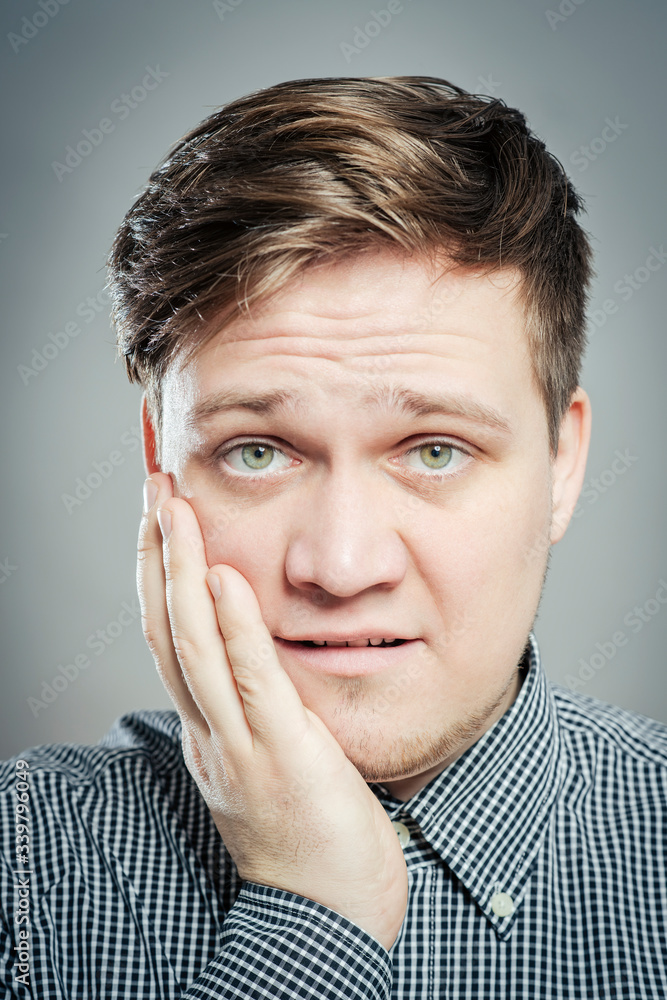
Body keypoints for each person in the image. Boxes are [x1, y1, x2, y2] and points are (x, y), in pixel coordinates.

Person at [1, 75, 665, 999]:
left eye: (435, 450)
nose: (342, 567)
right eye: (257, 452)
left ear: (561, 463)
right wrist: (315, 913)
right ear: (160, 468)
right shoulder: (21, 866)